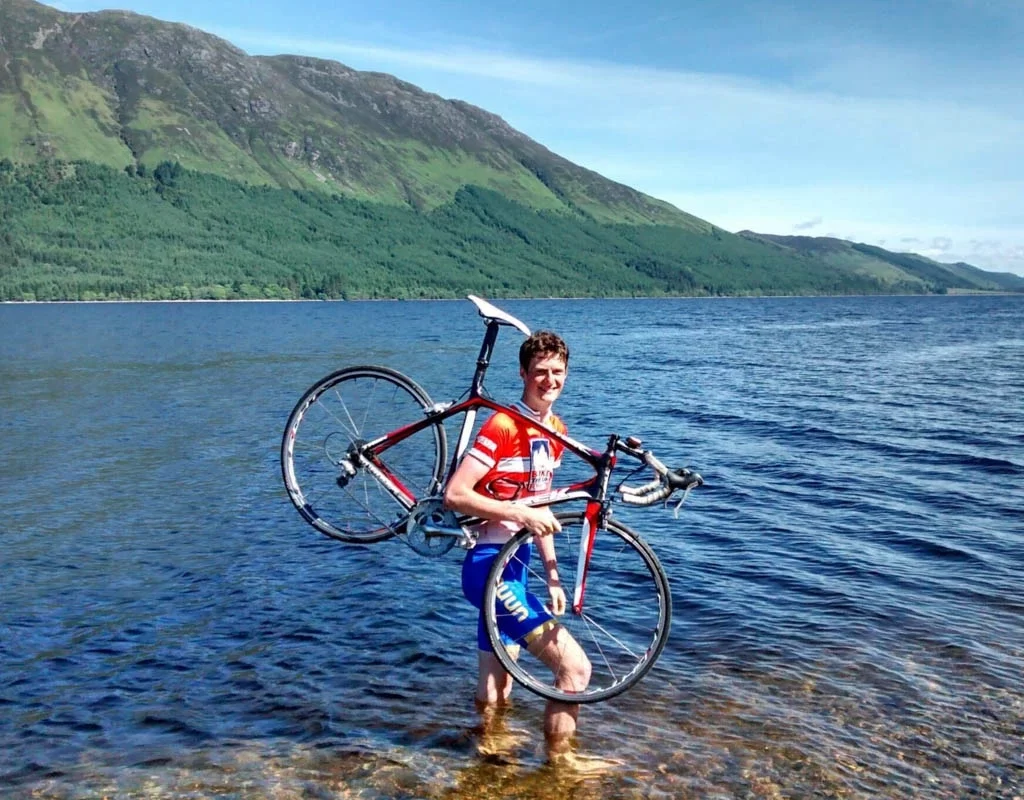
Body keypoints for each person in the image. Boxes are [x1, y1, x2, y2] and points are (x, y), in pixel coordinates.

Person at [444, 330, 592, 758]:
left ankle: (488, 753)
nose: (550, 380)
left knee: (496, 684)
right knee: (574, 669)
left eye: (558, 371)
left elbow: (540, 508)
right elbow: (456, 494)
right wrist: (520, 514)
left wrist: (553, 576)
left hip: (517, 565)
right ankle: (561, 764)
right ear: (523, 374)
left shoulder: (556, 431)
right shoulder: (504, 425)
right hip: (489, 566)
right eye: (540, 371)